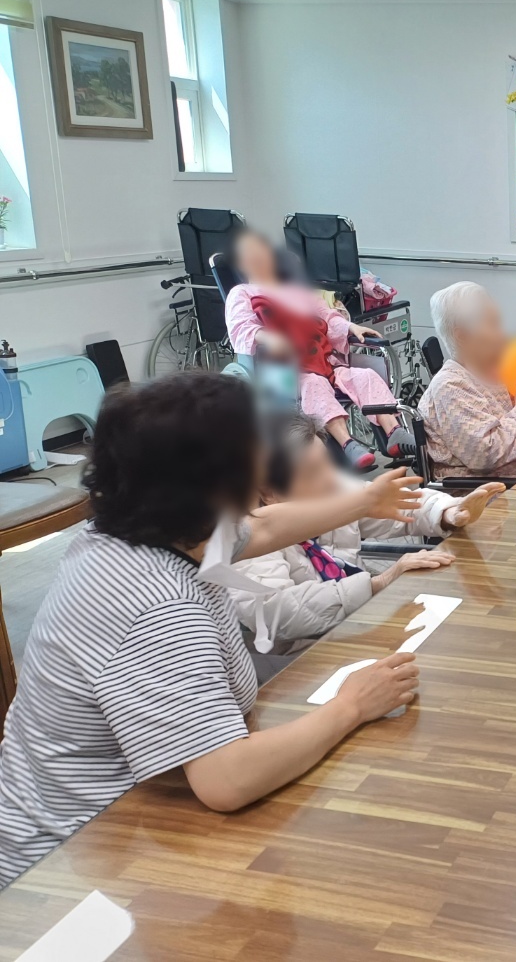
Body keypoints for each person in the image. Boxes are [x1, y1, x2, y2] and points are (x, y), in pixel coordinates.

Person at [0, 372, 429, 888]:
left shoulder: (141, 530)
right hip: (70, 860)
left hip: (124, 815)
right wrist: (352, 706)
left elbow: (262, 527)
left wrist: (365, 500)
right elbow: (227, 780)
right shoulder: (158, 607)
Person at [229, 413, 505, 677]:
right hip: (302, 662)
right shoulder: (243, 538)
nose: (331, 478)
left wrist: (449, 512)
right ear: (268, 492)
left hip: (360, 625)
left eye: (328, 462)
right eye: (313, 472)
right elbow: (275, 613)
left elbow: (398, 505)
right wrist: (377, 583)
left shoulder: (331, 488)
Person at [223, 230, 410, 471]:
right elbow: (240, 328)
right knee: (314, 385)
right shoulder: (242, 293)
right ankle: (347, 445)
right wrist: (268, 337)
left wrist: (351, 327)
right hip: (283, 370)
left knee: (366, 377)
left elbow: (328, 317)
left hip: (324, 361)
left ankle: (394, 432)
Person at [418, 281, 516, 479]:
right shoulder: (450, 386)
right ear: (462, 336)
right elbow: (484, 456)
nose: (503, 334)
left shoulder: (498, 376)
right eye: (493, 325)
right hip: (484, 491)